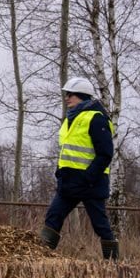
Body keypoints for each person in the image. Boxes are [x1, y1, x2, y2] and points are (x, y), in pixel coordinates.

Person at [39, 76, 119, 260]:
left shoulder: (96, 118)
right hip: (68, 182)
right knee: (53, 217)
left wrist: (88, 178)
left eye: (71, 95)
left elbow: (105, 154)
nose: (67, 98)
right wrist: (60, 172)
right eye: (67, 94)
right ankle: (41, 258)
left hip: (91, 184)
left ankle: (113, 264)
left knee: (100, 225)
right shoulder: (70, 119)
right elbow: (67, 151)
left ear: (82, 96)